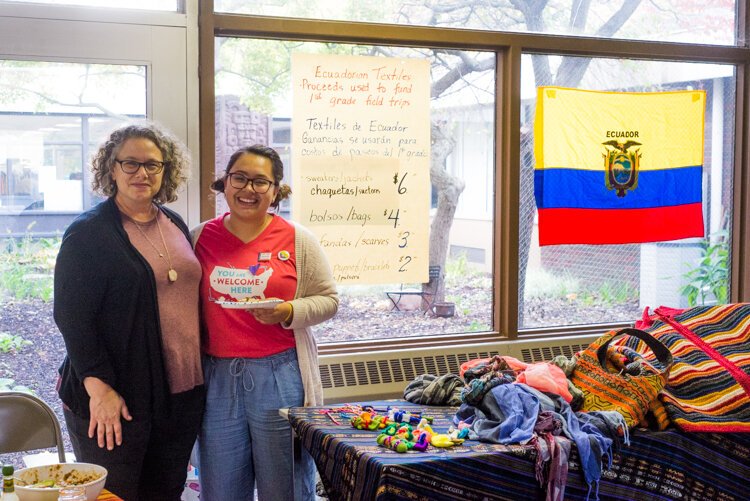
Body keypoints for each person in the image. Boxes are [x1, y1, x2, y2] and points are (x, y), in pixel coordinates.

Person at [54, 122, 205, 501]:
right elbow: (72, 316)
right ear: (111, 168)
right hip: (116, 397)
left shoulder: (174, 223)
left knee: (166, 493)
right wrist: (99, 388)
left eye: (153, 165)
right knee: (117, 495)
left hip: (179, 395)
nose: (142, 173)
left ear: (166, 171)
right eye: (130, 163)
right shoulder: (88, 233)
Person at [193, 144, 338, 500]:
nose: (248, 189)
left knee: (284, 486)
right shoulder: (198, 237)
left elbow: (329, 300)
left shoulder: (297, 239)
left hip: (280, 376)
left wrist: (287, 312)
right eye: (239, 178)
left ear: (275, 191)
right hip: (217, 378)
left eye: (261, 182)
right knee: (222, 488)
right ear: (224, 183)